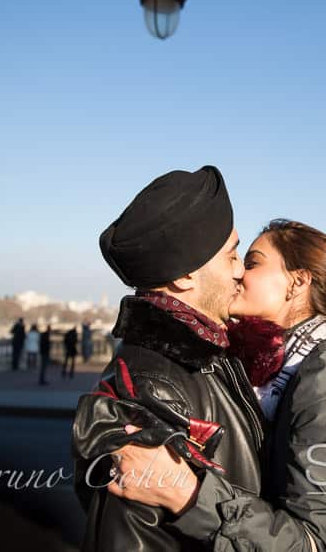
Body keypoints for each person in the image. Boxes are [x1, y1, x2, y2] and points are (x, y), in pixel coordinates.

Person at [105, 219, 326, 552]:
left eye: (252, 262)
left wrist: (187, 492)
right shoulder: (277, 366)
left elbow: (314, 542)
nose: (239, 272)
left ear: (297, 282)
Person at [71, 165, 264, 552]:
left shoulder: (199, 355)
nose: (241, 271)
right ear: (185, 277)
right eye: (231, 255)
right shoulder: (155, 386)